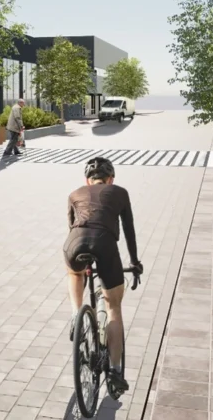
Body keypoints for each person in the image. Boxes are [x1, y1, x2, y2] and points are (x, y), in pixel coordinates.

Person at [64, 157, 142, 395]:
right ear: (111, 179)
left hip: (74, 243)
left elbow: (73, 226)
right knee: (113, 308)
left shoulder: (74, 193)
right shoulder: (120, 192)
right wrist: (134, 262)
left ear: (87, 180)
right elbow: (129, 230)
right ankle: (115, 372)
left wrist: (85, 265)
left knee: (74, 273)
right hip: (105, 244)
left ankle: (77, 316)